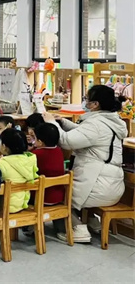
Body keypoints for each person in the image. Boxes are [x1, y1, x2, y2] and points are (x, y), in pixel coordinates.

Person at [44, 85, 127, 243]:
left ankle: (78, 229)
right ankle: (93, 223)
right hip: (112, 185)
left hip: (97, 185)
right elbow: (85, 133)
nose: (85, 102)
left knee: (57, 195)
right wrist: (63, 122)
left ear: (95, 104)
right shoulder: (111, 120)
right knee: (72, 190)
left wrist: (51, 123)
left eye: (86, 99)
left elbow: (67, 141)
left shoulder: (95, 124)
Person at [0, 129, 39, 213]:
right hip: (23, 204)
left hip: (4, 207)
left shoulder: (1, 164)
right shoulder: (30, 160)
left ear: (4, 146)